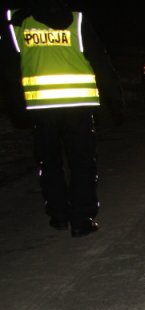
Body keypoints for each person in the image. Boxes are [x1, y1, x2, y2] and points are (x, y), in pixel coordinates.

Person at [2, 0, 123, 237]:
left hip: (41, 107)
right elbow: (100, 59)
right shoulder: (76, 19)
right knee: (82, 163)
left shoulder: (18, 22)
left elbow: (8, 68)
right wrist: (115, 100)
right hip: (79, 104)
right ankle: (82, 219)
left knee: (49, 163)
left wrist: (16, 109)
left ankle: (58, 215)